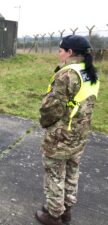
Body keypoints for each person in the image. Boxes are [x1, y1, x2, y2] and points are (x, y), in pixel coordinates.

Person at [36, 35, 100, 225]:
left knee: (55, 175)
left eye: (61, 50)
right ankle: (67, 211)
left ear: (70, 52)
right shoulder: (89, 72)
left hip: (61, 137)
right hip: (79, 135)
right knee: (72, 172)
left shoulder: (66, 74)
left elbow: (50, 109)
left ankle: (54, 216)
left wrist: (46, 124)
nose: (59, 53)